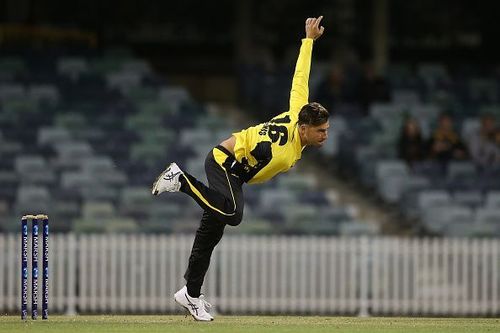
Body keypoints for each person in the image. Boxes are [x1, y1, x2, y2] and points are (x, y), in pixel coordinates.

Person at [151, 16, 328, 321]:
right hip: (224, 163)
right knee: (233, 214)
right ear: (303, 128)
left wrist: (308, 41)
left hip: (233, 170)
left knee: (209, 235)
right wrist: (241, 159)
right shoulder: (283, 149)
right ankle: (180, 181)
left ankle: (190, 294)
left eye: (326, 129)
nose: (325, 135)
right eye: (321, 131)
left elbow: (301, 77)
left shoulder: (298, 109)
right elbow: (256, 152)